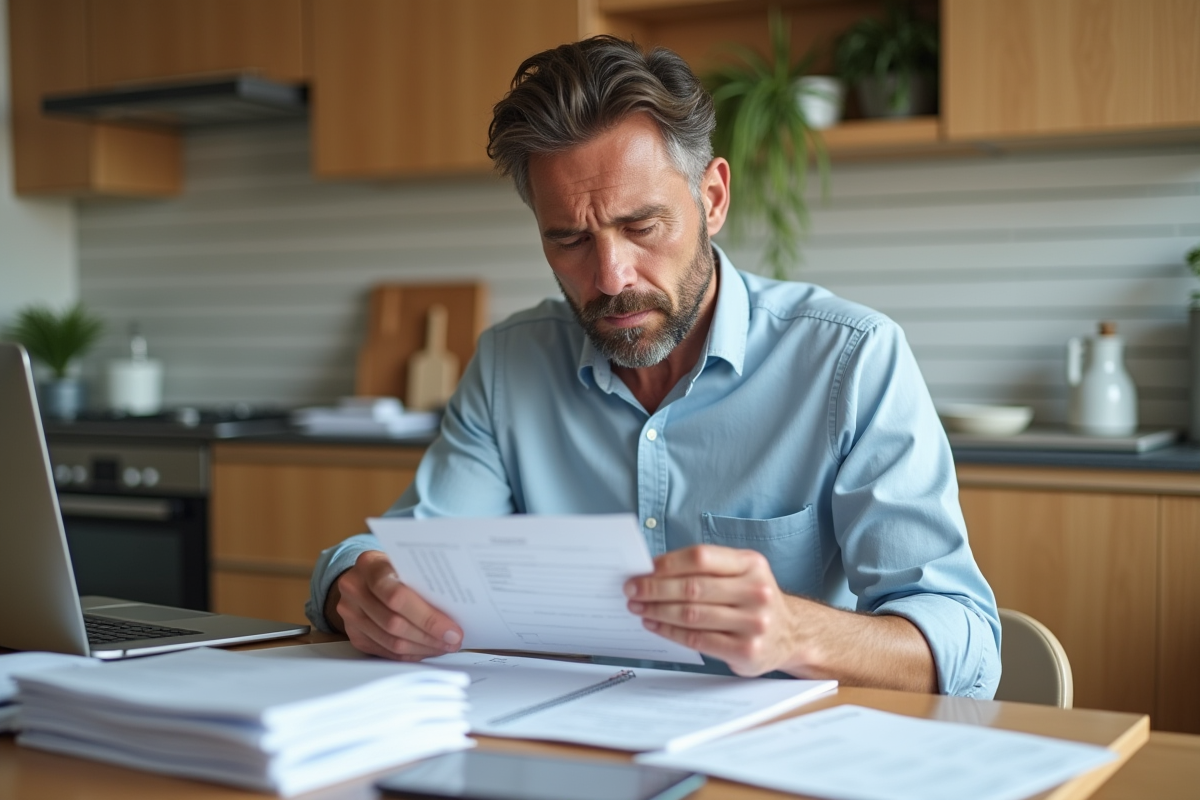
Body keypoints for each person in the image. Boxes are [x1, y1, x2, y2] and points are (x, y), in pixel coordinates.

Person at [306, 36, 1001, 697]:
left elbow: (965, 644)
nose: (611, 278)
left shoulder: (851, 361)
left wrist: (796, 631)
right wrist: (359, 590)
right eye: (570, 239)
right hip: (565, 751)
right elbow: (407, 553)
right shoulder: (509, 364)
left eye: (643, 226)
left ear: (713, 198)